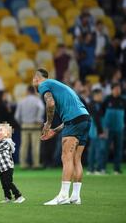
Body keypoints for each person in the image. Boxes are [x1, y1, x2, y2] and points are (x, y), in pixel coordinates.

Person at [32, 68, 90, 205]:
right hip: (85, 119)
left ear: (36, 78)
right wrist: (55, 130)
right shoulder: (59, 86)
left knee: (66, 157)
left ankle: (63, 195)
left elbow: (50, 103)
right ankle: (75, 197)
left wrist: (48, 124)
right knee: (77, 159)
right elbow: (73, 117)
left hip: (74, 121)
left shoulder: (43, 84)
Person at [0, 122, 25, 204]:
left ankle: (19, 196)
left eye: (1, 131)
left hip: (7, 166)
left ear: (7, 134)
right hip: (0, 166)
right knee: (4, 184)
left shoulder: (7, 142)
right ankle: (7, 197)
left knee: (8, 182)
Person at [14, 86, 44, 169]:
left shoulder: (21, 101)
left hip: (25, 125)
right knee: (35, 146)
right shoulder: (37, 101)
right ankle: (36, 164)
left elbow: (16, 116)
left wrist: (21, 123)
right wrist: (38, 119)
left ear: (27, 91)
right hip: (35, 125)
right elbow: (41, 108)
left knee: (24, 146)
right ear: (34, 92)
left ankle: (23, 164)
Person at [102, 83, 125, 174]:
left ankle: (117, 169)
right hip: (108, 128)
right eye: (115, 89)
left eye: (118, 89)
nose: (117, 90)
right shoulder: (107, 100)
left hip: (119, 129)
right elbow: (102, 113)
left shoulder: (123, 100)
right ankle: (102, 168)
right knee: (106, 148)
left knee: (118, 149)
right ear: (112, 90)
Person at [87, 88, 107, 175]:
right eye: (100, 95)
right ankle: (97, 169)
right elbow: (96, 118)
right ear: (96, 95)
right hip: (95, 130)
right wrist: (101, 131)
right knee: (98, 149)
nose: (101, 96)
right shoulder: (92, 104)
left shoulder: (100, 104)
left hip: (96, 129)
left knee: (94, 149)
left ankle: (92, 168)